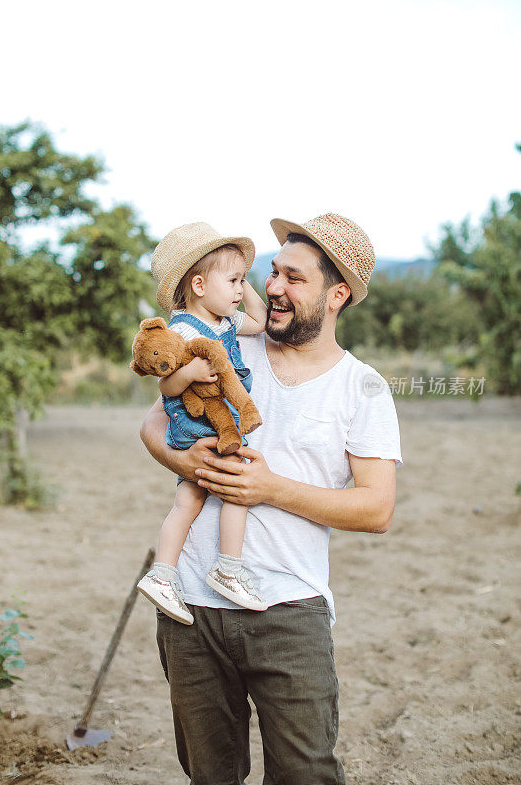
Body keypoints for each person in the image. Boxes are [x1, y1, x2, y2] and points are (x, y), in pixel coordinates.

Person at [140, 213, 403, 785]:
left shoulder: (364, 387)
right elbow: (151, 427)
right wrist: (185, 462)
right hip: (191, 610)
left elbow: (376, 509)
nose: (274, 288)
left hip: (288, 611)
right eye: (272, 274)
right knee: (209, 774)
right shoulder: (229, 346)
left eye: (294, 278)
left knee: (305, 773)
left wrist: (271, 489)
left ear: (338, 295)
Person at [137, 222, 269, 625]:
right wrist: (190, 372)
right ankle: (228, 568)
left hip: (210, 423)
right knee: (235, 490)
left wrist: (241, 279)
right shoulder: (179, 329)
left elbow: (260, 319)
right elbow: (166, 384)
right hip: (198, 426)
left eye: (241, 282)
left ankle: (163, 574)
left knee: (188, 501)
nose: (238, 291)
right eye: (232, 281)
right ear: (198, 285)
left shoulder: (226, 323)